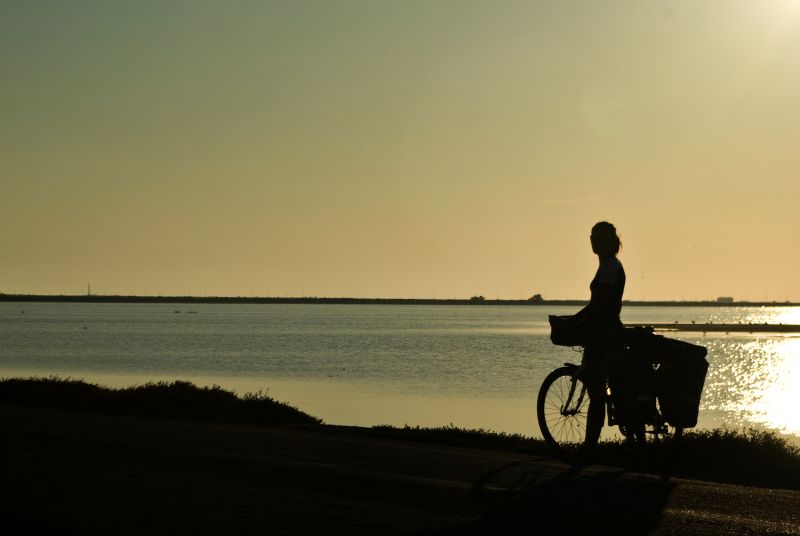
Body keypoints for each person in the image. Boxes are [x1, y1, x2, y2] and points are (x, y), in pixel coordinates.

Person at [572, 221, 626, 452]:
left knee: (596, 393)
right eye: (592, 237)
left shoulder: (610, 267)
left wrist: (573, 320)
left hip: (604, 334)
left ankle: (589, 448)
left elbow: (599, 303)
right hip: (603, 331)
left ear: (610, 242)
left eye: (600, 238)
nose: (595, 241)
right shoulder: (607, 265)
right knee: (601, 389)